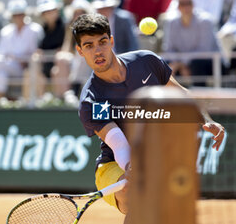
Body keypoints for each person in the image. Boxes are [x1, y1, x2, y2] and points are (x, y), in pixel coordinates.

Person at [71, 13, 225, 223]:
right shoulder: (92, 99)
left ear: (112, 41)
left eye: (102, 42)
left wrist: (206, 119)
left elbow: (181, 94)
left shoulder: (146, 62)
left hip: (159, 154)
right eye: (88, 46)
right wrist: (131, 168)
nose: (97, 51)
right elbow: (118, 142)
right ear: (80, 51)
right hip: (114, 165)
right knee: (137, 194)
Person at [162, 0, 222, 86]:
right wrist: (181, 65)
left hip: (212, 63)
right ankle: (171, 98)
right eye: (182, 4)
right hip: (183, 63)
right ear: (178, 7)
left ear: (193, 5)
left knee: (197, 64)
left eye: (189, 3)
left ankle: (200, 99)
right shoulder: (172, 23)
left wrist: (181, 64)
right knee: (164, 65)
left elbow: (204, 51)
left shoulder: (205, 21)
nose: (186, 7)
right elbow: (169, 49)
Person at [22, 0, 67, 99]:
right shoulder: (42, 29)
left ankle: (59, 101)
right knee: (31, 70)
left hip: (60, 65)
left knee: (56, 70)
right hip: (45, 65)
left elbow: (65, 49)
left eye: (52, 10)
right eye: (46, 12)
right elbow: (40, 49)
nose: (50, 14)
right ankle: (32, 102)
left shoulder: (65, 26)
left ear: (57, 11)